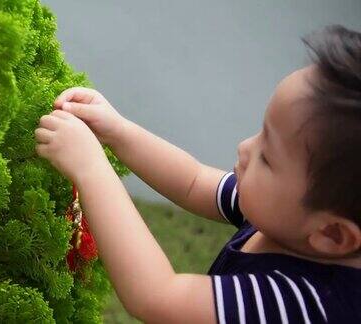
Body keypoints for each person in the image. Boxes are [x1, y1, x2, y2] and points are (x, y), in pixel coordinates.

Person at [35, 25, 361, 323]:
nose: (245, 148)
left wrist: (91, 168)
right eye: (261, 133)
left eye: (268, 157)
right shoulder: (285, 215)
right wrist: (118, 131)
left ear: (332, 234)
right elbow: (194, 181)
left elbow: (157, 296)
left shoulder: (303, 303)